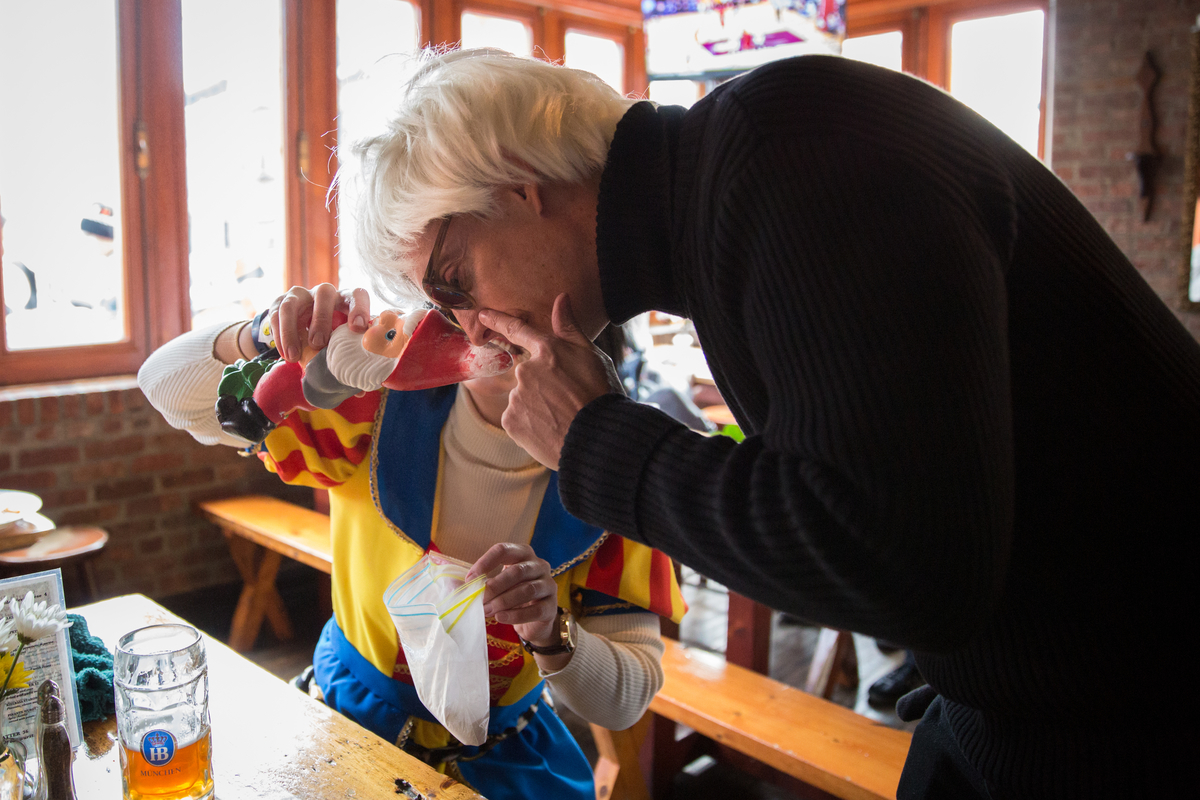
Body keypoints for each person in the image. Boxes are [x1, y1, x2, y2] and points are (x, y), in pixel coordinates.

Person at [338, 48, 1200, 798]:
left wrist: (596, 441)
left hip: (1136, 720)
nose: (469, 328)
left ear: (517, 184)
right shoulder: (732, 189)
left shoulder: (787, 146)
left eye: (452, 284)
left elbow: (907, 563)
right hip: (1034, 698)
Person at [138, 297, 686, 799]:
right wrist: (260, 333)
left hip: (508, 758)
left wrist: (550, 632)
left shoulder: (620, 475)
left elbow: (627, 700)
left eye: (531, 299)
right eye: (469, 291)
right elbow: (164, 387)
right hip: (343, 728)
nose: (492, 324)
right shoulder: (367, 402)